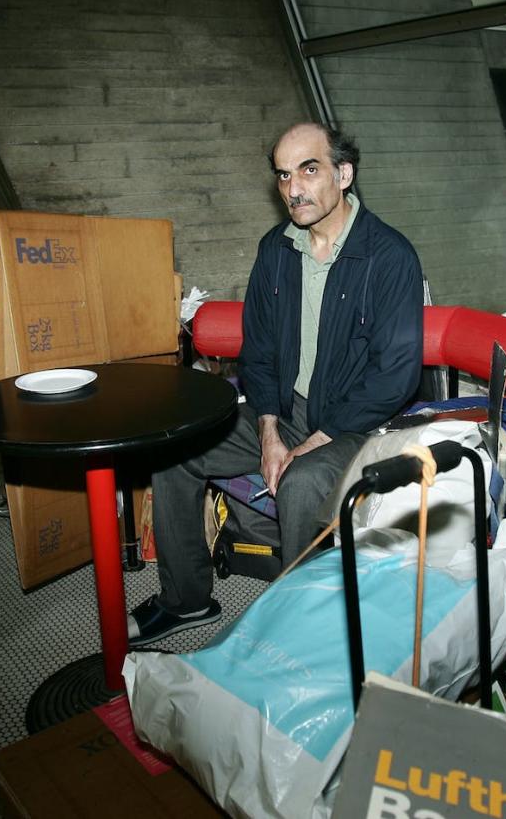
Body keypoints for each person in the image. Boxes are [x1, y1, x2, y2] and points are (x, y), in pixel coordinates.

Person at [128, 122, 425, 646]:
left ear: (344, 174)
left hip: (360, 424)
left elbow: (394, 377)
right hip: (285, 408)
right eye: (284, 175)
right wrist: (269, 431)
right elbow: (258, 353)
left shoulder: (390, 257)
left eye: (309, 170)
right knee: (175, 451)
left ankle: (299, 630)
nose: (294, 189)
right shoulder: (276, 250)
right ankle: (185, 600)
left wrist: (313, 441)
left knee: (302, 480)